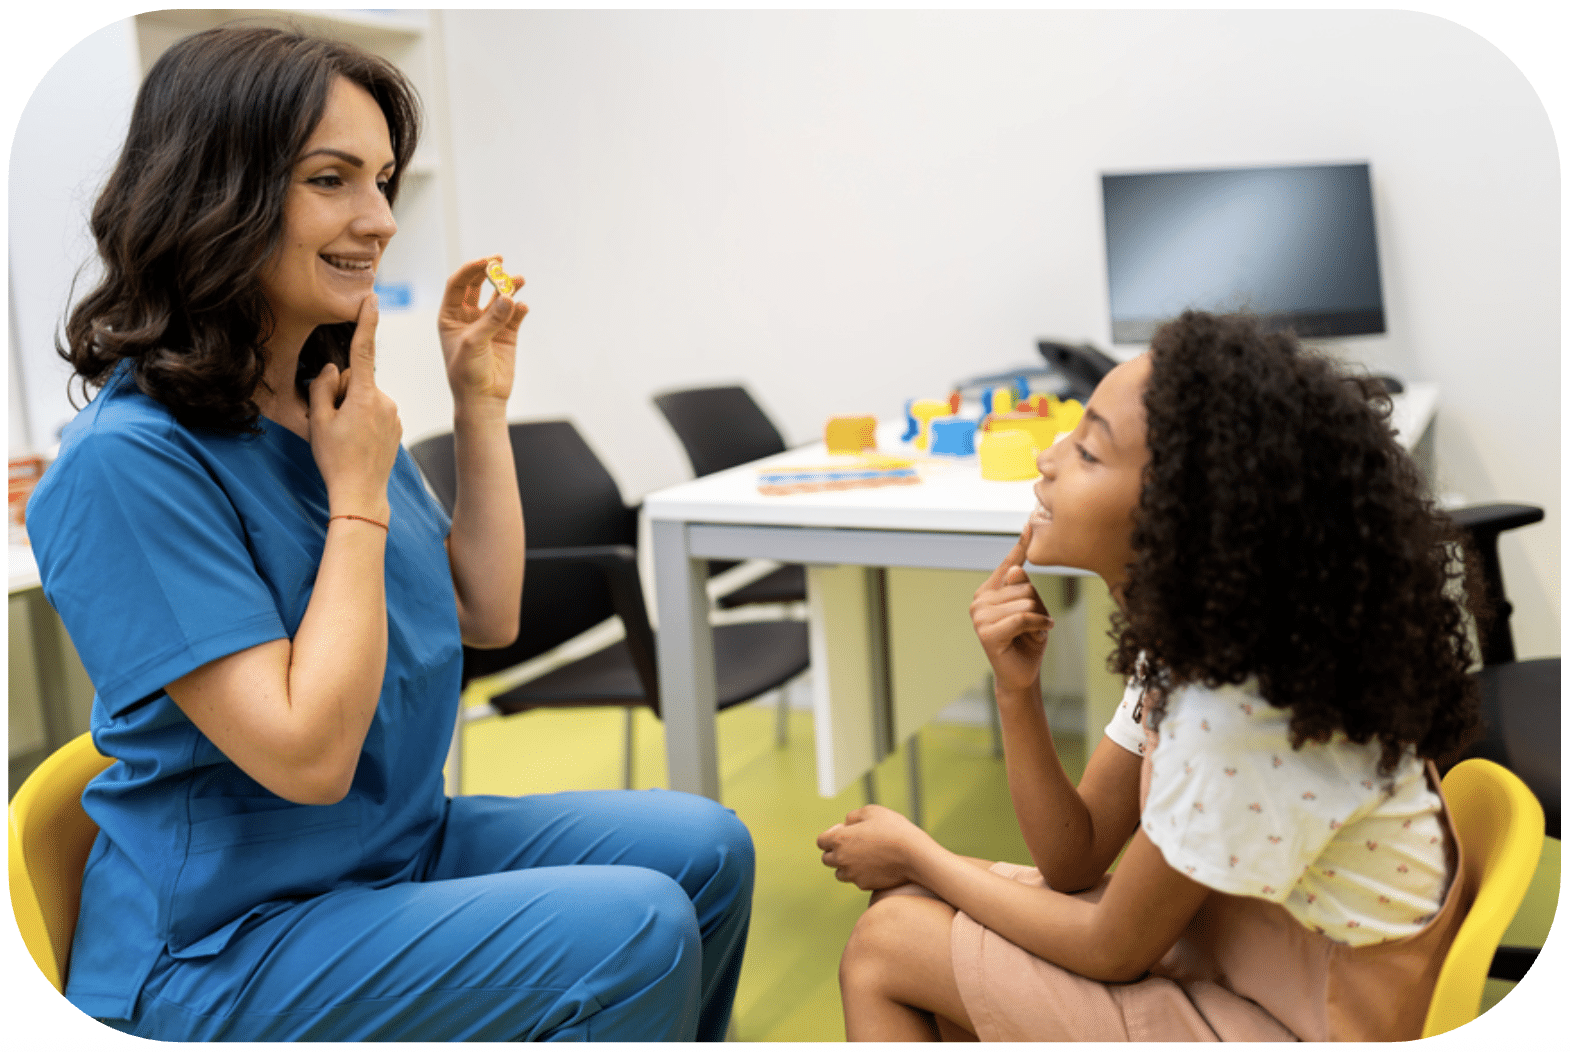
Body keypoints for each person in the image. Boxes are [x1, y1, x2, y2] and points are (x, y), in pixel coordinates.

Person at [27, 25, 752, 1041]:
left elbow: (483, 608)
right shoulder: (127, 463)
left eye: (382, 181)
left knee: (708, 847)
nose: (378, 219)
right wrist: (357, 495)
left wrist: (480, 405)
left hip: (388, 848)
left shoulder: (329, 400)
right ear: (214, 191)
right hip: (223, 942)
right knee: (636, 926)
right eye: (333, 179)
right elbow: (308, 756)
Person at [816, 310, 1484, 1041]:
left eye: (1090, 454)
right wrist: (1017, 689)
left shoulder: (1238, 714)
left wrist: (919, 848)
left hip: (1297, 1025)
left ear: (1181, 518)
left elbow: (1112, 948)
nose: (1049, 457)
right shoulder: (1200, 644)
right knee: (912, 906)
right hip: (1240, 976)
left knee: (887, 945)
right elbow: (1075, 858)